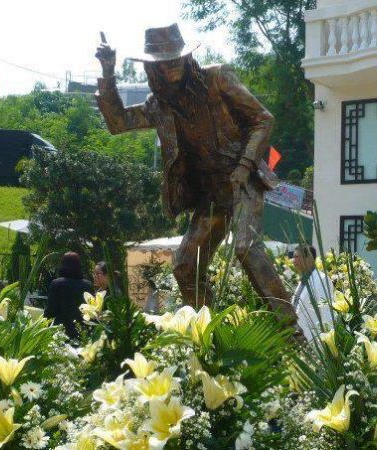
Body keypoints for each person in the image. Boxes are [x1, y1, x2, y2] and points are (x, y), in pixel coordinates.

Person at [95, 24, 295, 323]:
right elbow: (118, 122)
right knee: (185, 266)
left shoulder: (217, 79)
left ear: (187, 57)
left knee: (245, 248)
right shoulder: (158, 105)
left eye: (176, 57)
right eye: (164, 61)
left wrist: (243, 165)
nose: (172, 64)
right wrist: (109, 73)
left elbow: (263, 120)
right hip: (210, 194)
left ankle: (291, 331)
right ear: (154, 67)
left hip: (243, 180)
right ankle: (208, 332)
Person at [45, 252, 93, 340]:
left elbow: (50, 310)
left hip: (60, 331)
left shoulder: (56, 284)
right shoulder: (88, 285)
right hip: (82, 331)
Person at [291, 245, 334, 341]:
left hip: (314, 341)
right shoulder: (302, 281)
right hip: (299, 340)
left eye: (297, 257)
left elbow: (327, 314)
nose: (293, 261)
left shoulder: (322, 280)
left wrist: (324, 342)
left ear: (309, 258)